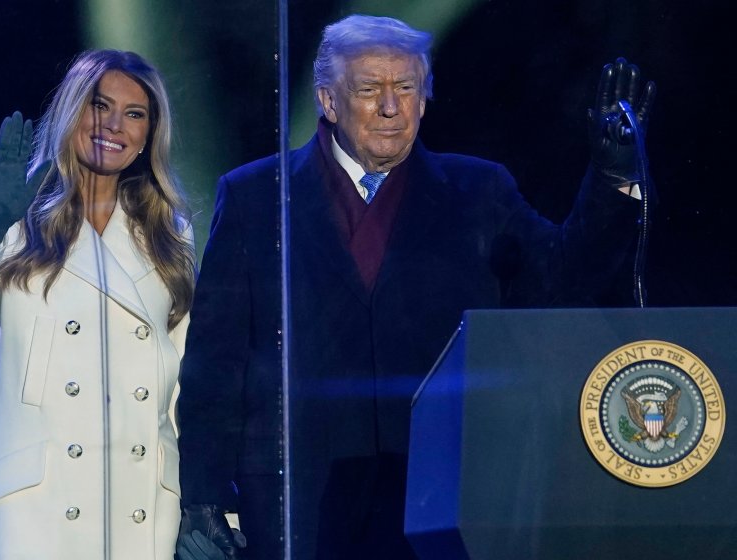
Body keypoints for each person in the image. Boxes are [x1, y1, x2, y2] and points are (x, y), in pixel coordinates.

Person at [175, 14, 655, 560]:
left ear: (424, 101)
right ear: (328, 101)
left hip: (442, 496)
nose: (390, 107)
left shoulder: (479, 190)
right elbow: (216, 362)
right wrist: (204, 495)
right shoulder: (254, 196)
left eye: (405, 88)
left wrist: (613, 180)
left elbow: (563, 283)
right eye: (368, 90)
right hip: (299, 502)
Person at [0, 49, 195, 560]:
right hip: (34, 509)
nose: (113, 125)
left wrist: (199, 496)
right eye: (99, 105)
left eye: (134, 114)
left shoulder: (168, 233)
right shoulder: (7, 215)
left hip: (138, 502)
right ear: (71, 112)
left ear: (148, 136)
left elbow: (177, 383)